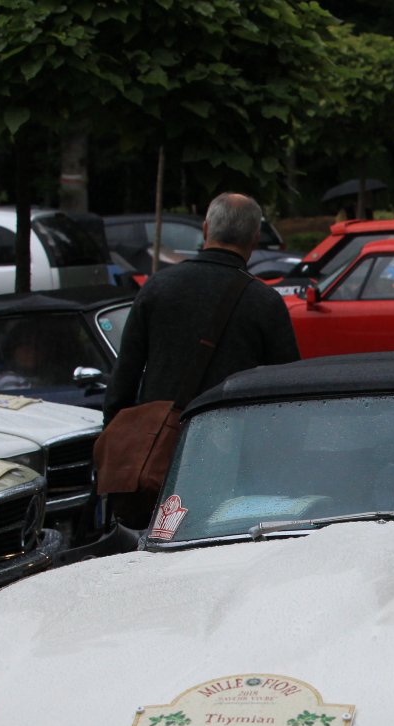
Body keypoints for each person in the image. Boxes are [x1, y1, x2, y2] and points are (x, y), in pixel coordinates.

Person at [105, 192, 300, 527]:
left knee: (162, 535)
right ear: (255, 239)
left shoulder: (157, 287)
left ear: (206, 229)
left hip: (163, 454)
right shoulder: (264, 303)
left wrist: (119, 439)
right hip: (236, 457)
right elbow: (286, 391)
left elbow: (124, 377)